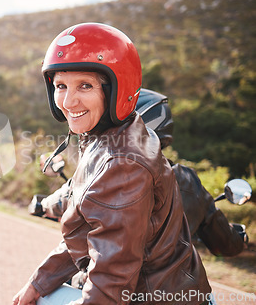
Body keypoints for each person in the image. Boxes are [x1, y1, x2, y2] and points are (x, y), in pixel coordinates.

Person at [13, 23, 212, 305]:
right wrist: (38, 281)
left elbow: (112, 278)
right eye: (60, 86)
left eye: (85, 85)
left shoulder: (122, 163)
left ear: (119, 88)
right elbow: (87, 234)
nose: (68, 101)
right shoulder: (109, 136)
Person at [31, 88, 246, 257]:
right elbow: (226, 245)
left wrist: (42, 204)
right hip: (173, 291)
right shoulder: (189, 182)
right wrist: (237, 238)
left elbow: (63, 199)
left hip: (103, 283)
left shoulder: (101, 171)